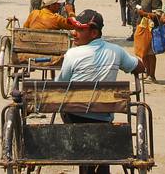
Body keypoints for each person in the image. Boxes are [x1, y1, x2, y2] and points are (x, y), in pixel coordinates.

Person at [56, 9, 145, 174]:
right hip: (103, 117)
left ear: (94, 32)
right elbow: (139, 66)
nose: (74, 34)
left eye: (80, 30)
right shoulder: (116, 51)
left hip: (74, 116)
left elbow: (59, 86)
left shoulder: (72, 54)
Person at [133, 0, 161, 82]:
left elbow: (157, 14)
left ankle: (152, 75)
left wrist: (143, 13)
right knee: (143, 52)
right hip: (142, 26)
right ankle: (146, 73)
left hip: (150, 27)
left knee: (150, 53)